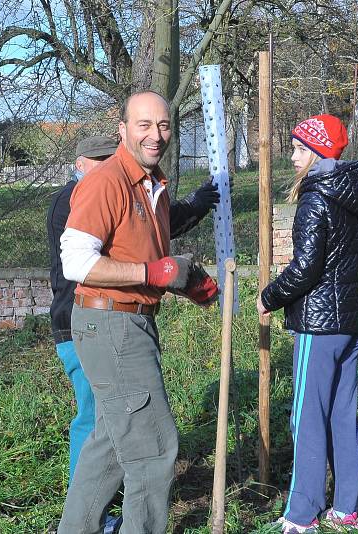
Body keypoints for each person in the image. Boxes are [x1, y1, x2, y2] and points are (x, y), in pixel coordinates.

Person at [55, 91, 219, 534]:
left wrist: (181, 281)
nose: (156, 135)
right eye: (144, 125)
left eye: (163, 126)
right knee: (154, 450)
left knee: (107, 448)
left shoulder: (153, 186)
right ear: (123, 131)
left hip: (128, 322)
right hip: (112, 325)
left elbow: (149, 261)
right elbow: (77, 262)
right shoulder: (106, 181)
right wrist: (152, 271)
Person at [256, 114, 358, 534]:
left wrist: (269, 296)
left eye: (299, 149)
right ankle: (345, 511)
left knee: (307, 416)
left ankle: (302, 515)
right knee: (343, 414)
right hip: (352, 323)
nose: (292, 157)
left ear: (319, 153)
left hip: (318, 327)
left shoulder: (316, 198)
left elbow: (305, 269)